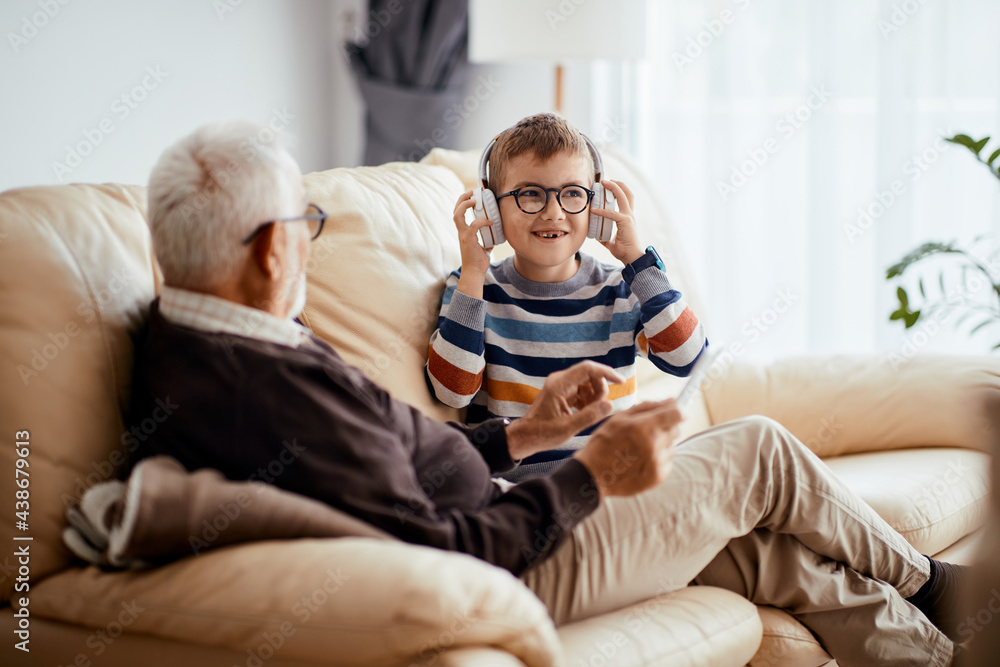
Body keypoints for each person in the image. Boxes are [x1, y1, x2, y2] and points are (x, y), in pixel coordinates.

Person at [128, 120, 964, 667]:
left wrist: (524, 433)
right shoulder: (260, 389)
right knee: (756, 449)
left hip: (512, 494)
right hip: (518, 556)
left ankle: (939, 650)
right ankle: (934, 582)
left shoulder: (201, 336)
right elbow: (453, 545)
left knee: (768, 558)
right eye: (306, 228)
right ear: (273, 251)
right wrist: (592, 470)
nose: (311, 247)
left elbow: (405, 468)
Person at [425, 113, 707, 481]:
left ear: (596, 205)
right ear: (490, 211)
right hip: (522, 490)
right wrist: (475, 273)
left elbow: (688, 358)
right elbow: (452, 392)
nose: (553, 212)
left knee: (754, 443)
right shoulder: (472, 290)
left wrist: (636, 260)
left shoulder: (622, 290)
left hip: (612, 482)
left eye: (573, 193)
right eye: (530, 194)